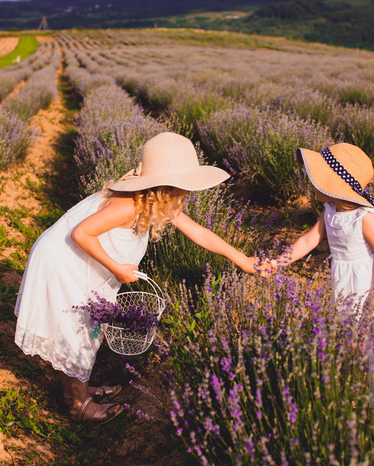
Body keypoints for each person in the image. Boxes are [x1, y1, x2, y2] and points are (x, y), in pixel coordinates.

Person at [14, 132, 257, 424]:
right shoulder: (128, 205)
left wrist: (241, 259)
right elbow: (81, 234)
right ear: (167, 185)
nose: (189, 191)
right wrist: (117, 268)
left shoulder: (157, 200)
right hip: (63, 261)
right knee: (79, 331)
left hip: (77, 259)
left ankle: (74, 392)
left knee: (80, 328)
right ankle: (79, 405)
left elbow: (198, 232)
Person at [276, 142, 374, 345]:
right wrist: (279, 261)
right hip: (348, 277)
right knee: (353, 325)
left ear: (333, 185)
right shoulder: (329, 210)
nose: (311, 182)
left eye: (318, 178)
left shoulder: (364, 217)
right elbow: (310, 239)